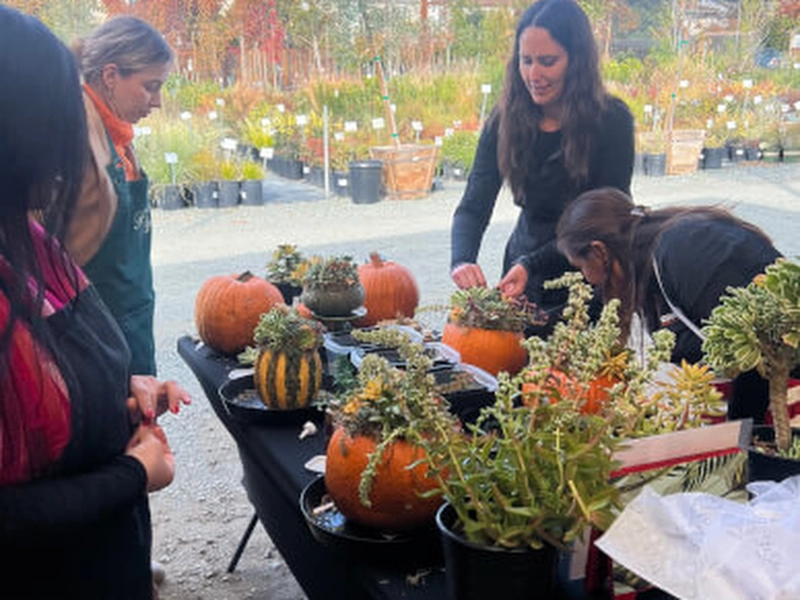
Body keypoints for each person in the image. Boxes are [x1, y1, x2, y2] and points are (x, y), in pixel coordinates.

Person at [0, 7, 183, 598]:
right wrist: (132, 474)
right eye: (52, 127)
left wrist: (111, 391)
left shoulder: (24, 238)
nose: (62, 157)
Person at [451, 0, 634, 334]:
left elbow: (606, 222)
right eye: (526, 60)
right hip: (523, 274)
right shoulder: (503, 119)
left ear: (576, 61)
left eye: (547, 61)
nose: (533, 75)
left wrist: (532, 263)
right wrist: (462, 259)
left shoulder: (612, 122)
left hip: (587, 277)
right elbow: (473, 206)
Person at [555, 186, 782, 423]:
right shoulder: (649, 258)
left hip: (778, 388)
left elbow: (756, 351)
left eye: (580, 266)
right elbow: (595, 305)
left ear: (599, 250)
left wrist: (741, 440)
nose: (586, 278)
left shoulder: (685, 251)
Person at [68, 15, 173, 376]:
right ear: (111, 75)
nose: (157, 101)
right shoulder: (74, 137)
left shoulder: (118, 135)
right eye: (150, 86)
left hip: (131, 323)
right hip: (92, 339)